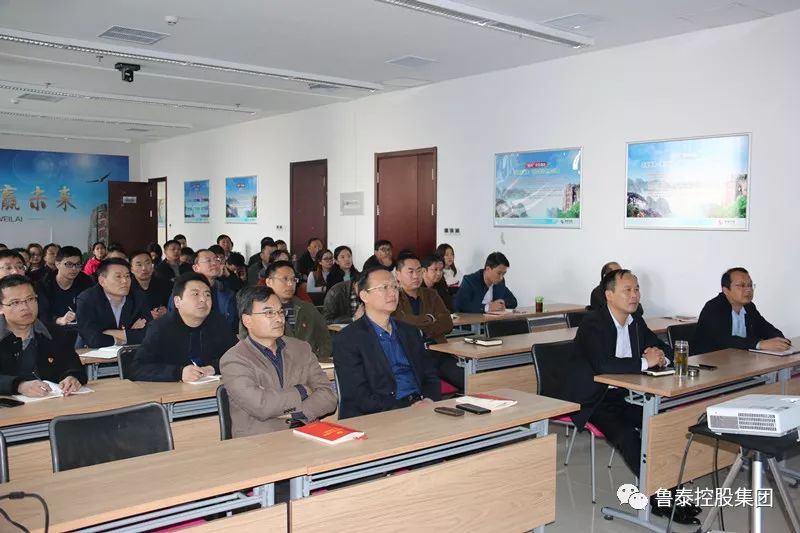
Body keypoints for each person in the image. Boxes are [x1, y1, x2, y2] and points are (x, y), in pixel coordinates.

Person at [568, 269, 699, 524]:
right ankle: (659, 497)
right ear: (609, 295)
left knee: (661, 423)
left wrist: (661, 357)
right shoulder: (593, 323)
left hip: (621, 396)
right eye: (627, 290)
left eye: (636, 289)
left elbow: (662, 347)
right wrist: (645, 362)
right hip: (593, 399)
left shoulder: (635, 321)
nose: (634, 295)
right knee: (628, 435)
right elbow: (603, 365)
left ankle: (672, 493)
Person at [221, 286, 337, 437]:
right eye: (269, 313)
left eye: (281, 312)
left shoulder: (301, 348)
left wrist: (296, 414)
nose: (279, 319)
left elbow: (329, 396)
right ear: (247, 320)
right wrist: (303, 391)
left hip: (307, 434)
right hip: (260, 441)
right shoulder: (234, 359)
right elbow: (261, 406)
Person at [333, 267, 440, 419]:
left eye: (395, 287)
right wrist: (407, 408)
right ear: (364, 296)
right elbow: (359, 397)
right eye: (384, 287)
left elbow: (431, 376)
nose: (392, 293)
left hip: (420, 408)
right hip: (376, 416)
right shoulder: (348, 339)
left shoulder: (410, 332)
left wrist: (428, 401)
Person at [128, 274, 237, 382]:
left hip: (212, 386)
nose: (203, 299)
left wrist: (213, 368)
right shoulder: (161, 328)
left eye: (207, 295)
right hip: (175, 390)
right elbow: (137, 368)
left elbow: (237, 356)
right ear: (177, 302)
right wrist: (178, 373)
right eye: (195, 294)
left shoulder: (219, 323)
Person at [0, 275, 87, 397]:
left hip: (54, 403)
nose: (25, 307)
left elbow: (74, 367)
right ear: (1, 308)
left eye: (30, 299)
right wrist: (19, 386)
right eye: (15, 303)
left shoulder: (54, 333)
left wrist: (72, 377)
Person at [393, 254, 460, 389]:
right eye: (410, 272)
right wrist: (430, 319)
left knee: (467, 380)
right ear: (398, 275)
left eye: (419, 271)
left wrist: (420, 330)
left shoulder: (431, 294)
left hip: (438, 353)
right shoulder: (393, 297)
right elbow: (401, 322)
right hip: (409, 358)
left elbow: (447, 324)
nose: (416, 276)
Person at [693, 267, 788, 354]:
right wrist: (759, 344)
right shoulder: (714, 307)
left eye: (750, 285)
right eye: (741, 286)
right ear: (726, 290)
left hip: (740, 359)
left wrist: (780, 340)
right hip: (711, 361)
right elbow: (723, 340)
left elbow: (764, 328)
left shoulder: (749, 307)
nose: (748, 290)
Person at [76, 258, 151, 348]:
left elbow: (151, 333)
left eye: (127, 276)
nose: (125, 281)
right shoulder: (87, 299)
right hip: (95, 354)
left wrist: (109, 333)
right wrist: (126, 335)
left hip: (129, 353)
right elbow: (93, 339)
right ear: (102, 281)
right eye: (118, 276)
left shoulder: (138, 297)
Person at [264, 261, 331, 360]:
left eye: (293, 279)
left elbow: (325, 339)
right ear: (269, 282)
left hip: (309, 364)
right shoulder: (258, 312)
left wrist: (317, 359)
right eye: (285, 279)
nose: (290, 284)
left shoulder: (308, 308)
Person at [36, 246, 93, 326]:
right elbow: (43, 315)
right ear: (57, 264)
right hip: (53, 328)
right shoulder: (44, 285)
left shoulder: (86, 281)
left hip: (80, 328)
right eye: (69, 264)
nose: (74, 268)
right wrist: (59, 320)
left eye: (78, 264)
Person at [189, 249, 239, 333]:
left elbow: (233, 323)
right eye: (208, 260)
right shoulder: (185, 292)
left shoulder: (227, 292)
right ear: (196, 268)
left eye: (216, 259)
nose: (214, 263)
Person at [129, 250, 171, 320]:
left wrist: (168, 311)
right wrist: (146, 316)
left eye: (147, 263)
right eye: (139, 265)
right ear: (131, 269)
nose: (144, 268)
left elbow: (176, 307)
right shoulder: (127, 289)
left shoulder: (166, 284)